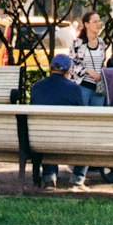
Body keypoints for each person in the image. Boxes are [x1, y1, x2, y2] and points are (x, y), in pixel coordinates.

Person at [29, 51, 85, 190]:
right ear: (68, 70)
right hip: (68, 139)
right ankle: (77, 180)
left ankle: (49, 178)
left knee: (45, 132)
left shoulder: (37, 87)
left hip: (41, 139)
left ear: (50, 67)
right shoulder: (74, 88)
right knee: (85, 137)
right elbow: (81, 115)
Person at [69, 10, 109, 190]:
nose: (98, 25)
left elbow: (103, 64)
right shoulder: (78, 44)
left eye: (99, 22)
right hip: (84, 88)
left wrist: (101, 74)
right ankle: (78, 175)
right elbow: (72, 65)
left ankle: (80, 176)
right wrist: (87, 72)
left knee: (93, 130)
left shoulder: (101, 43)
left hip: (98, 90)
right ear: (86, 24)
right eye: (94, 22)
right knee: (83, 129)